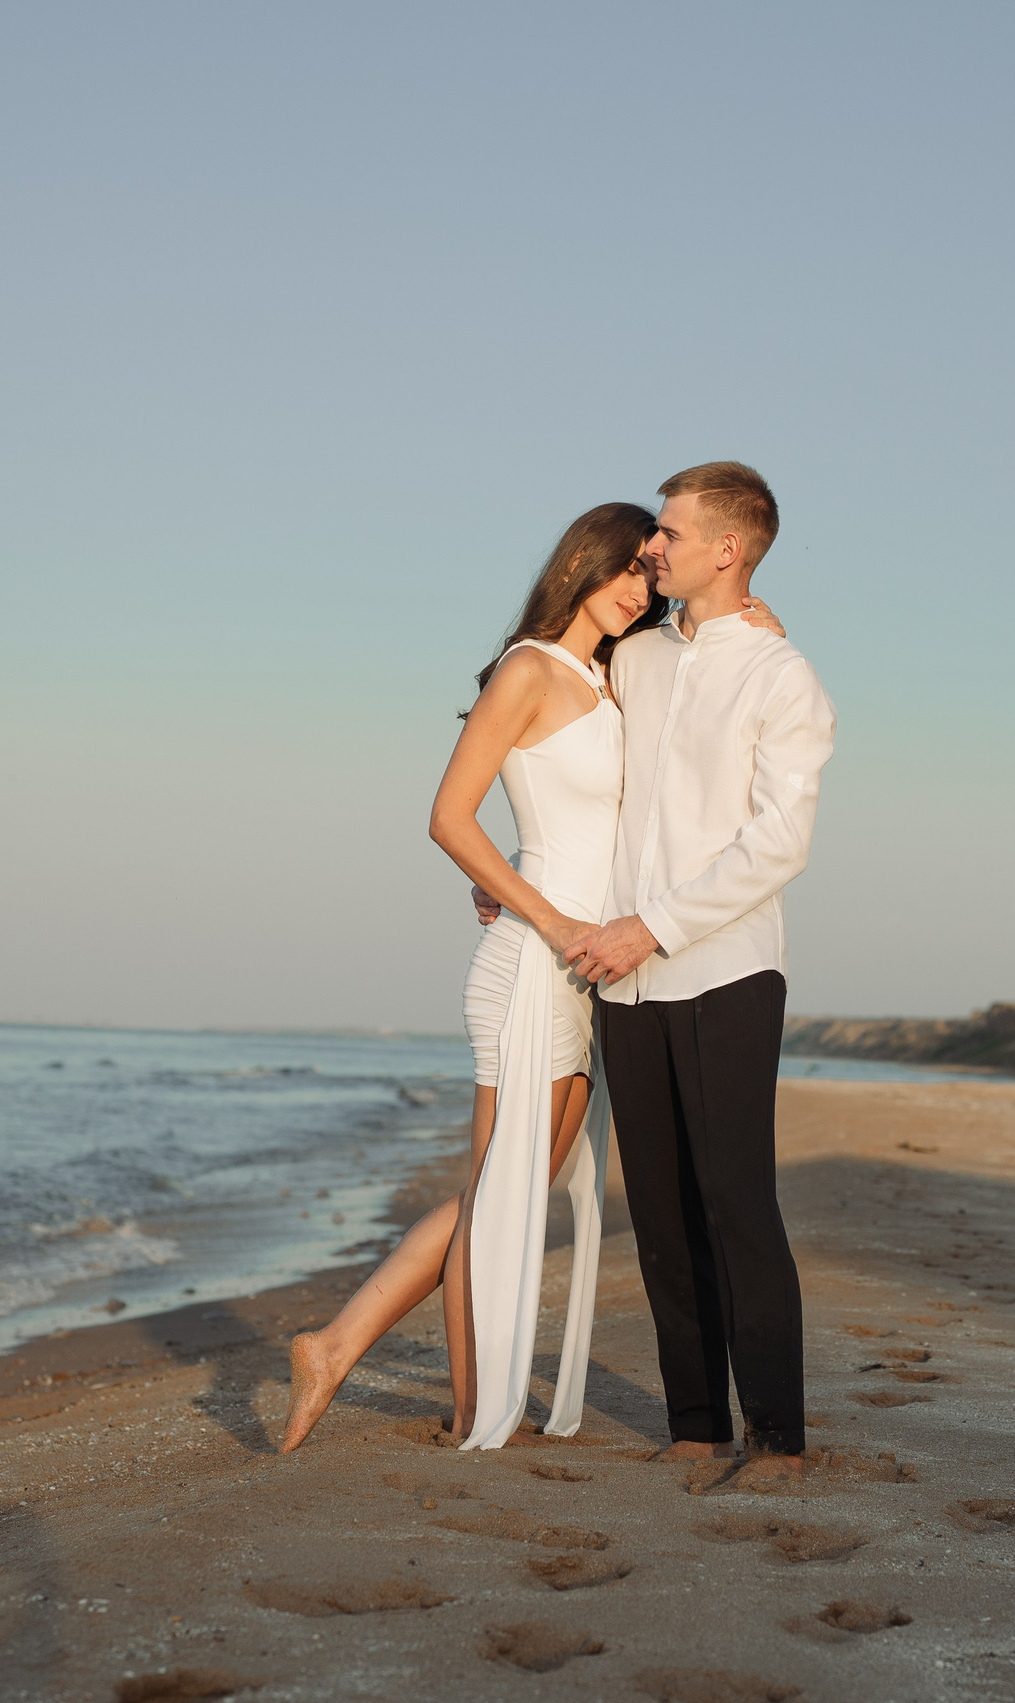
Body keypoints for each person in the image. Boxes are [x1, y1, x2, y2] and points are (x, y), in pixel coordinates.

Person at [278, 502, 783, 1452]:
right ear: (582, 563)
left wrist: (762, 619)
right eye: (626, 567)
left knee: (513, 1186)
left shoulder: (614, 676)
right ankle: (468, 1407)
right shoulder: (529, 668)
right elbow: (449, 816)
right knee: (495, 1191)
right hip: (531, 963)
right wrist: (540, 911)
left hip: (591, 974)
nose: (639, 588)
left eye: (649, 572)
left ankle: (339, 1342)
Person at [556, 462, 835, 1488]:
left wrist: (654, 927)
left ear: (729, 548)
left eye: (669, 533)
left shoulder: (782, 674)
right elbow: (578, 776)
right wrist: (527, 886)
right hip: (624, 979)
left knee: (737, 1205)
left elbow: (779, 843)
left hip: (725, 970)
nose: (651, 546)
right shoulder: (633, 657)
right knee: (661, 1211)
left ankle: (778, 1438)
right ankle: (693, 1422)